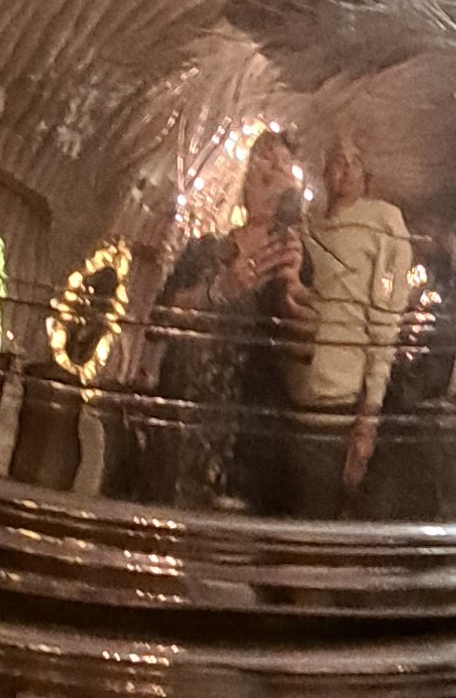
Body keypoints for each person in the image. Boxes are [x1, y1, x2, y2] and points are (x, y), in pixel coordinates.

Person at [143, 130, 308, 505]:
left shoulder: (295, 260)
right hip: (179, 430)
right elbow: (158, 323)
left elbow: (303, 352)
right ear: (246, 175)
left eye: (282, 165)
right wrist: (217, 292)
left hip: (246, 451)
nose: (271, 170)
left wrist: (294, 287)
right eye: (263, 160)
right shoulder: (205, 250)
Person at [291, 132, 413, 501]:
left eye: (355, 161)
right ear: (324, 171)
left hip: (339, 403)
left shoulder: (383, 222)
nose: (345, 169)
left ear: (365, 173)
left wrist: (368, 415)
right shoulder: (306, 226)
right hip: (288, 396)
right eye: (337, 160)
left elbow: (386, 318)